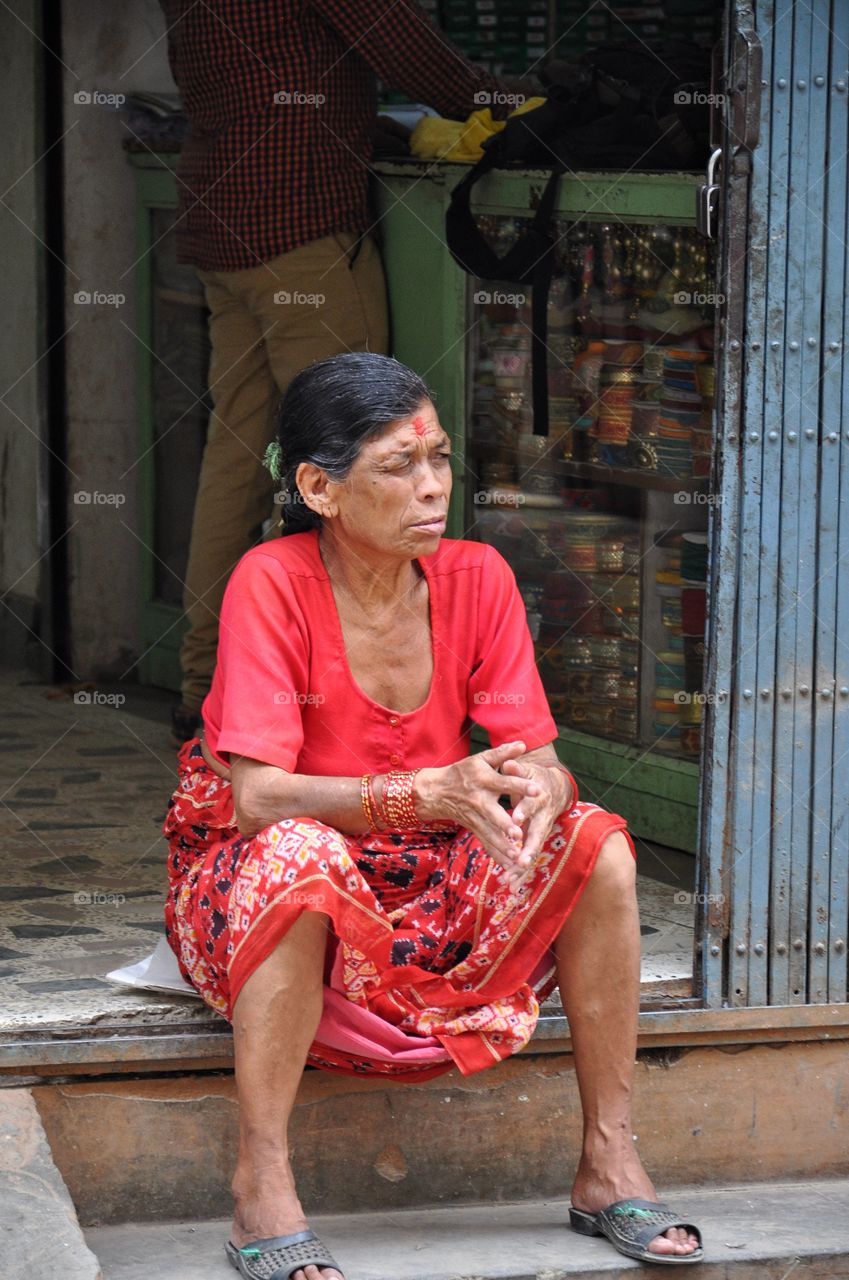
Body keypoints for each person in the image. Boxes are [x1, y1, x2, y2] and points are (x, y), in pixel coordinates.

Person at [162, 353, 704, 1279]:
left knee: (600, 846)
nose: (431, 487)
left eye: (440, 459)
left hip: (426, 869)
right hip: (266, 873)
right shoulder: (270, 580)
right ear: (317, 488)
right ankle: (263, 1179)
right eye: (397, 466)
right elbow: (258, 799)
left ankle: (607, 1162)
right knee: (300, 854)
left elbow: (537, 758)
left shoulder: (478, 576)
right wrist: (425, 793)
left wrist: (543, 797)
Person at [159, 0, 521, 744]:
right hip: (300, 228)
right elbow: (407, 50)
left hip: (228, 222)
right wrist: (510, 101)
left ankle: (204, 686)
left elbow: (263, 76)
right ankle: (335, 702)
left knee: (236, 452)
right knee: (358, 457)